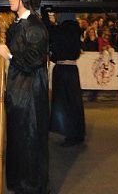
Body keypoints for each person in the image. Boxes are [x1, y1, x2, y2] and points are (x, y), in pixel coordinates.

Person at [0, 0, 49, 194]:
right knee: (19, 136)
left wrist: (9, 55)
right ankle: (20, 183)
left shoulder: (34, 26)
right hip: (19, 89)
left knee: (30, 137)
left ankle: (31, 186)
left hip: (30, 92)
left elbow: (34, 60)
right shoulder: (19, 24)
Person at [49, 13, 86, 146]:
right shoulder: (74, 30)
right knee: (73, 103)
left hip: (63, 70)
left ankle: (71, 133)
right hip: (71, 70)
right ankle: (76, 132)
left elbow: (55, 46)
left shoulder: (62, 30)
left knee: (65, 103)